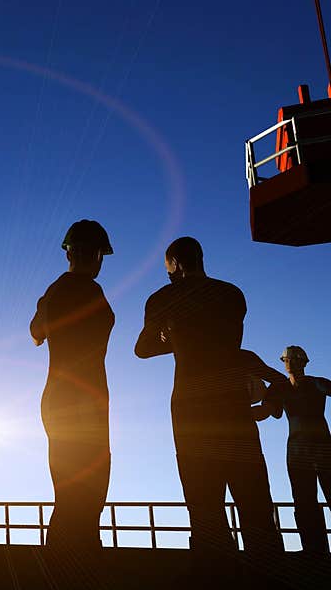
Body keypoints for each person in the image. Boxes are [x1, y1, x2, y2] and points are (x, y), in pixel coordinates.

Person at [135, 237, 284, 561]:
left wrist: (171, 335)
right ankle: (275, 585)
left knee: (204, 503)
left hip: (191, 406)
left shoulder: (162, 298)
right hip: (231, 402)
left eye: (168, 268)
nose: (168, 274)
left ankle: (216, 585)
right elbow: (224, 342)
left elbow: (142, 348)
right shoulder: (232, 295)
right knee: (255, 499)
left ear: (175, 263)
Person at [30, 220, 114, 555]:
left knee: (68, 491)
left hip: (58, 396)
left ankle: (63, 577)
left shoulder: (52, 292)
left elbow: (36, 333)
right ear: (93, 254)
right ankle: (77, 577)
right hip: (83, 398)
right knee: (88, 491)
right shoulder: (90, 291)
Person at [256, 346, 331, 555]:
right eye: (287, 359)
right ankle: (314, 549)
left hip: (321, 448)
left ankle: (315, 549)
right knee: (304, 501)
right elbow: (271, 411)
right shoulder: (280, 389)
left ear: (303, 362)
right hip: (298, 451)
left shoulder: (316, 383)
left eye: (292, 359)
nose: (289, 362)